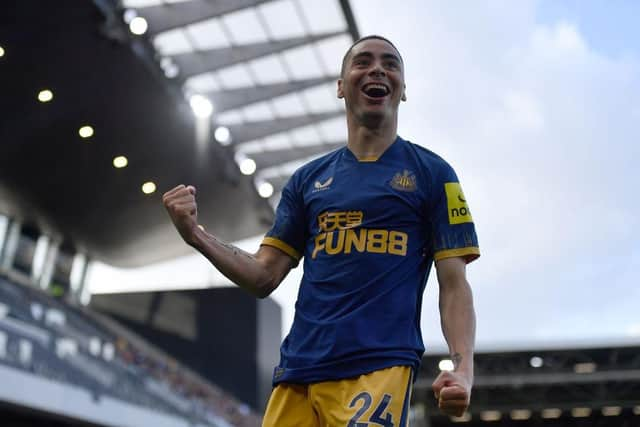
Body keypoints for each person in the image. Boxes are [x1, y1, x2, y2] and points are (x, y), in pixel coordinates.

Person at [163, 35, 479, 426]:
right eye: (363, 61)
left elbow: (454, 284)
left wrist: (463, 369)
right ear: (341, 85)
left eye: (391, 64)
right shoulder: (307, 181)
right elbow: (263, 275)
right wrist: (196, 234)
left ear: (403, 89)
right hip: (297, 374)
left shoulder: (434, 175)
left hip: (378, 368)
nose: (378, 69)